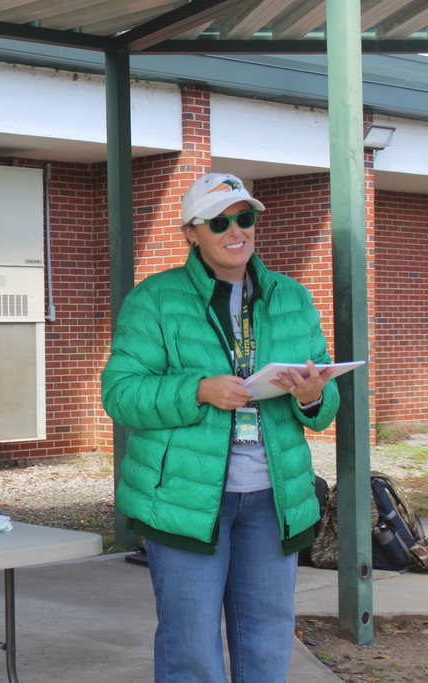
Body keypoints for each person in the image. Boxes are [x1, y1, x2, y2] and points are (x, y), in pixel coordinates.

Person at [101, 172, 341, 683]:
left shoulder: (292, 296)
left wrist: (313, 392)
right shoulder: (155, 299)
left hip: (273, 497)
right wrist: (199, 390)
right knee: (190, 646)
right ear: (191, 232)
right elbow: (120, 394)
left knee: (268, 639)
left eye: (244, 217)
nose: (236, 231)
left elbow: (324, 390)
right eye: (219, 222)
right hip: (185, 502)